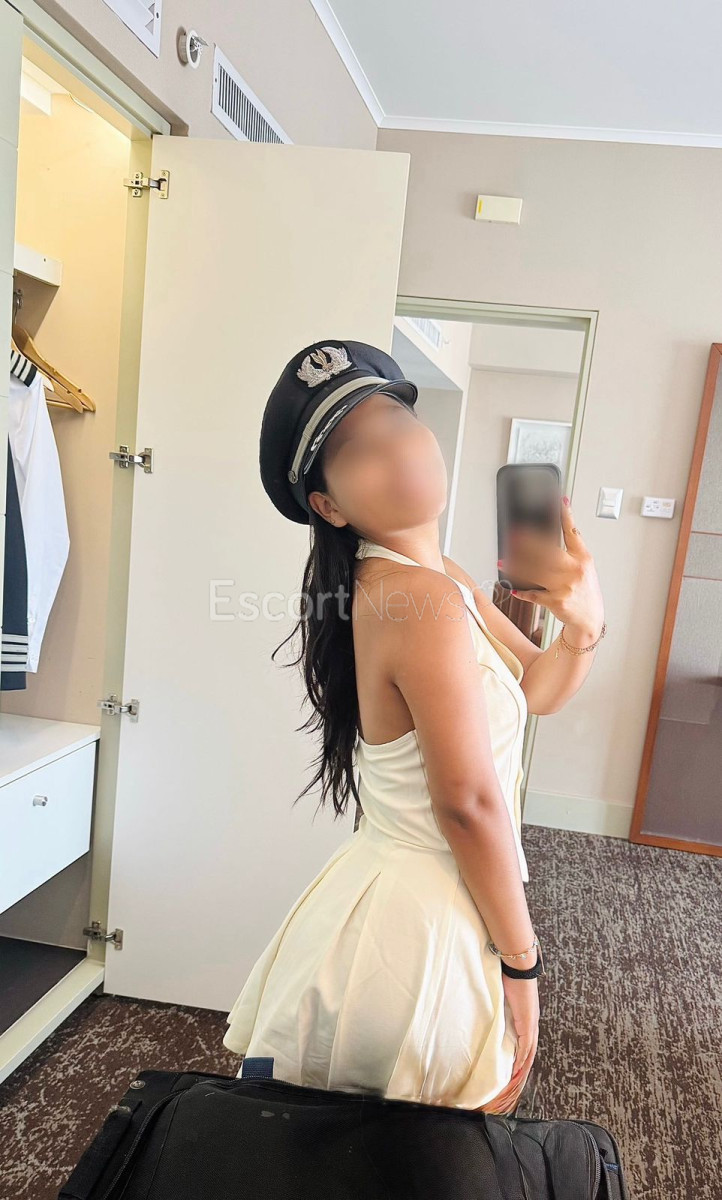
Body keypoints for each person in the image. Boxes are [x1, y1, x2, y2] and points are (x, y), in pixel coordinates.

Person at [223, 338, 606, 1114]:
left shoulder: (439, 579)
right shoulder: (417, 599)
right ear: (328, 506)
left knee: (366, 1152)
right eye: (359, 449)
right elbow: (468, 803)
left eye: (397, 422)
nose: (397, 449)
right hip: (424, 923)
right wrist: (523, 964)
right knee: (432, 1147)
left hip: (422, 896)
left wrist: (585, 625)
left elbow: (537, 689)